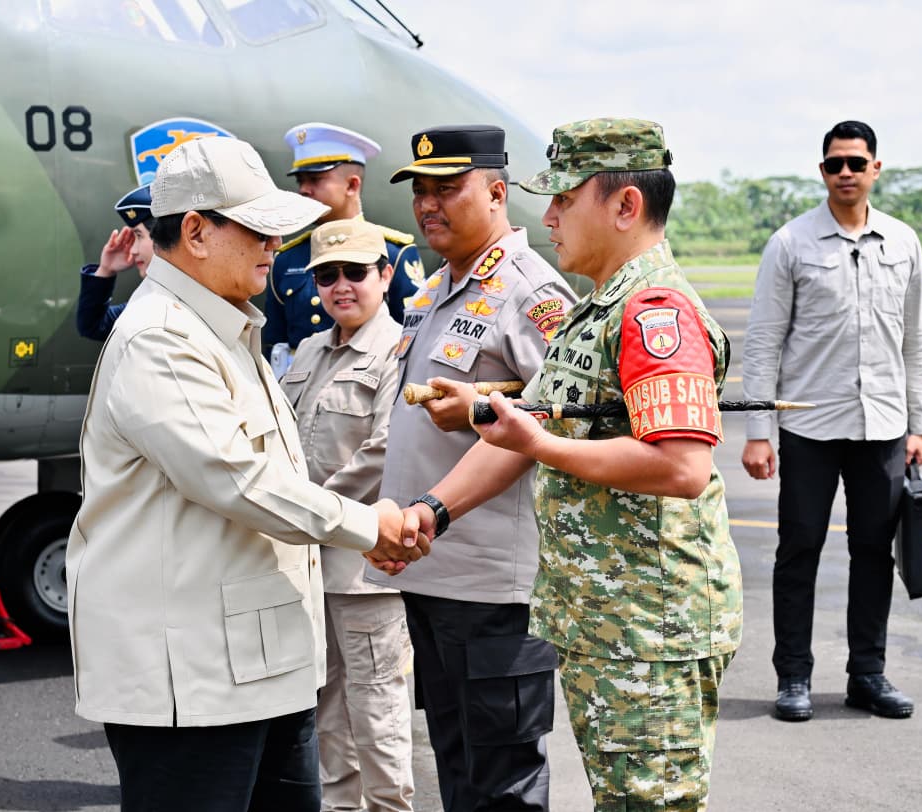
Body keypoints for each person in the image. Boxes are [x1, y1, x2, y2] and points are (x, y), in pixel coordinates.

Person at [66, 136, 428, 812]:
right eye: (259, 228)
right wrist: (366, 525)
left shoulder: (225, 330)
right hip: (194, 684)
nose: (275, 245)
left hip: (261, 667)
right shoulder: (162, 338)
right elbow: (235, 478)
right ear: (197, 232)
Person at [400, 118, 743, 812]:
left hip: (652, 626)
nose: (548, 215)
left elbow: (681, 466)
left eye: (564, 199)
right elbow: (520, 430)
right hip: (604, 619)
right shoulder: (598, 310)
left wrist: (541, 446)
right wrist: (432, 510)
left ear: (625, 206)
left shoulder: (655, 310)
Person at [366, 124, 577, 812]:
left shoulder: (529, 292)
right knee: (458, 766)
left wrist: (485, 405)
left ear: (495, 192)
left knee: (502, 782)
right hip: (432, 573)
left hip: (491, 589)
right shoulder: (436, 290)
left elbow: (568, 412)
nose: (428, 204)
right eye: (420, 190)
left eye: (446, 188)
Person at [741, 120, 922, 722]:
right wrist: (757, 432)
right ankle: (793, 677)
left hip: (883, 427)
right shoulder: (792, 243)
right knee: (798, 551)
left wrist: (918, 424)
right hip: (809, 428)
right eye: (834, 164)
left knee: (874, 554)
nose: (845, 172)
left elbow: (917, 342)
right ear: (821, 171)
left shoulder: (903, 243)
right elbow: (763, 341)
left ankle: (867, 675)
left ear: (876, 168)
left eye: (855, 162)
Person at [280, 219, 414, 812]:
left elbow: (383, 453)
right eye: (326, 276)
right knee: (327, 716)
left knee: (377, 715)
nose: (340, 286)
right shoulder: (309, 350)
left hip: (364, 569)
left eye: (355, 272)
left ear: (384, 276)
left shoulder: (400, 352)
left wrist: (303, 511)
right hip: (306, 563)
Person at [263, 122, 424, 367]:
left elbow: (414, 339)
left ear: (352, 185)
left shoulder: (393, 253)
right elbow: (272, 343)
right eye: (301, 181)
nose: (304, 190)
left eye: (315, 179)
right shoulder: (286, 259)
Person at [76, 184, 154, 340]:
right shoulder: (148, 303)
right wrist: (106, 270)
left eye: (139, 236)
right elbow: (93, 326)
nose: (133, 250)